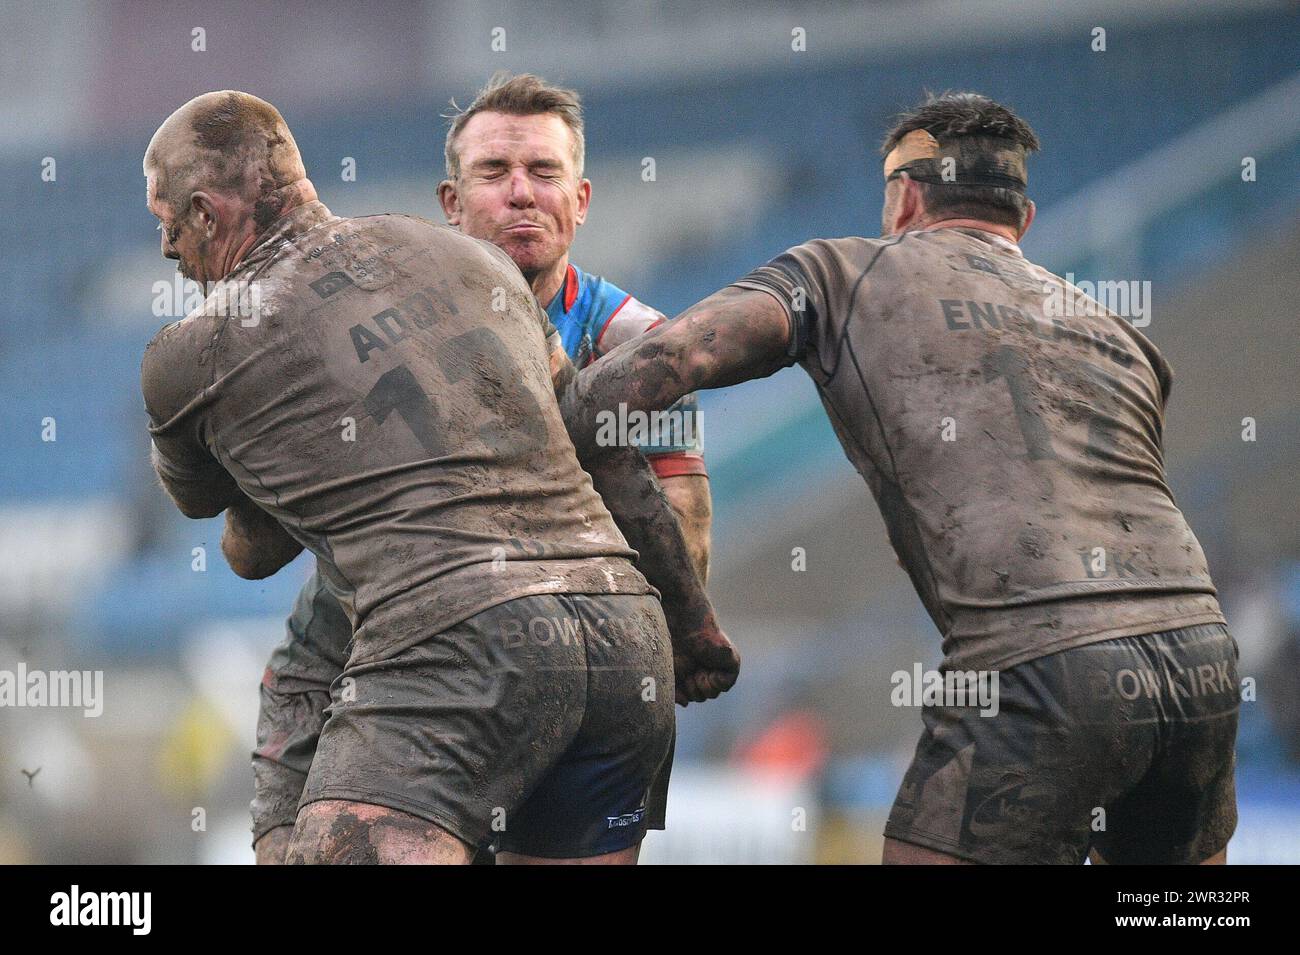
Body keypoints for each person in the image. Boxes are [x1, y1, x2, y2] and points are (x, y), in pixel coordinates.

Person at [561, 92, 1238, 865]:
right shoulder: (1118, 333)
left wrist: (683, 618)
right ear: (1024, 216)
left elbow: (649, 375)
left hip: (1041, 664)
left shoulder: (840, 274)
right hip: (1203, 664)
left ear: (906, 196)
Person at [141, 90, 738, 864]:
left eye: (166, 222)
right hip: (624, 637)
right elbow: (599, 446)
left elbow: (244, 548)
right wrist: (692, 627)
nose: (165, 250)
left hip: (451, 638)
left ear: (205, 210)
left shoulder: (193, 352)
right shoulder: (471, 260)